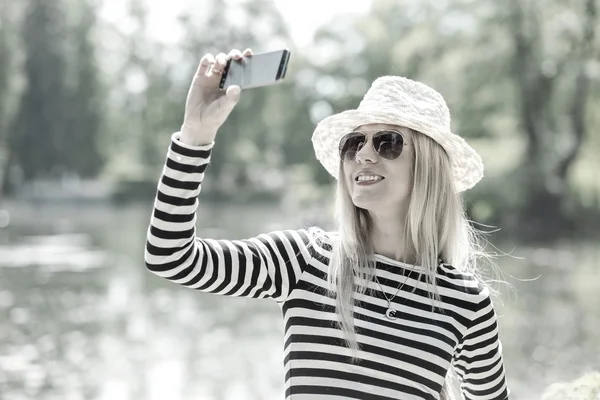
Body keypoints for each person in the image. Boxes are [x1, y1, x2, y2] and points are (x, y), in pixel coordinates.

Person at [144, 47, 510, 400]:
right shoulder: (305, 260)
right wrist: (195, 136)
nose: (364, 154)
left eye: (388, 143)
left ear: (428, 168)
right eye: (354, 143)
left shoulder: (467, 302)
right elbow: (170, 256)